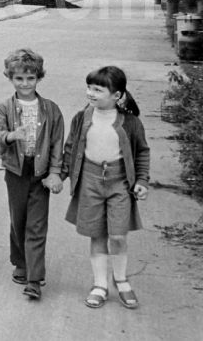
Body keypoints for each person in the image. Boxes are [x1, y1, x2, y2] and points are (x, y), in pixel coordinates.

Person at [61, 66, 150, 309]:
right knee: (97, 234)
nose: (90, 93)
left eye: (98, 90)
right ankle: (100, 284)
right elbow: (70, 149)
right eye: (89, 87)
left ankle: (120, 279)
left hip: (119, 182)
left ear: (117, 96)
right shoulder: (82, 117)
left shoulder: (130, 123)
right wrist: (58, 175)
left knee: (118, 235)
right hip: (89, 180)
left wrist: (142, 180)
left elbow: (141, 151)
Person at [0, 49, 66, 300]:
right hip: (16, 172)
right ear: (10, 78)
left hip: (40, 173)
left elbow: (57, 144)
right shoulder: (4, 106)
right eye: (19, 79)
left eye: (30, 79)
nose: (25, 84)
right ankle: (20, 262)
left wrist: (55, 173)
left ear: (39, 78)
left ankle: (34, 278)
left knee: (36, 224)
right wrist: (11, 136)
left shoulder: (51, 110)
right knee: (18, 220)